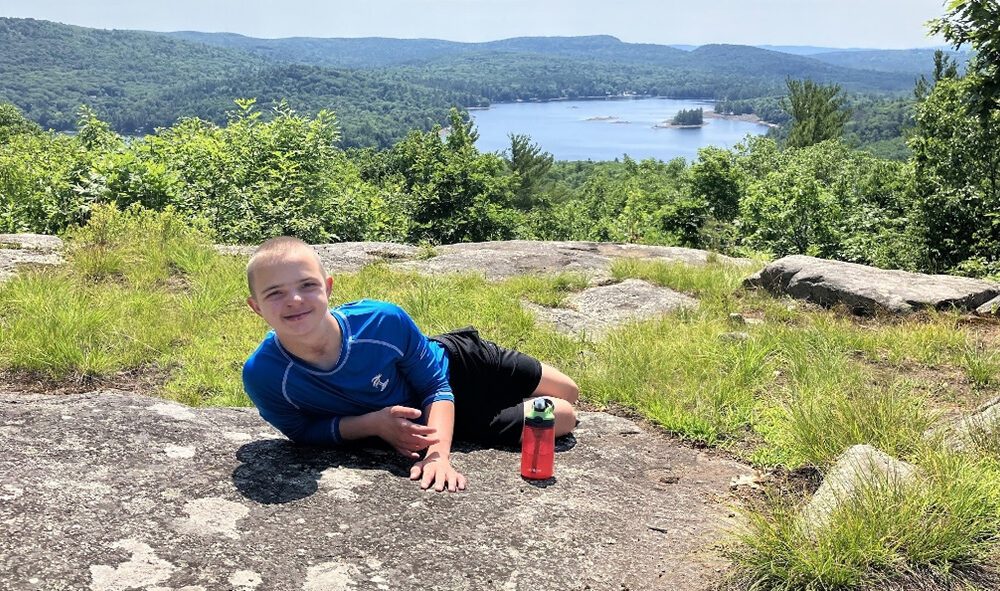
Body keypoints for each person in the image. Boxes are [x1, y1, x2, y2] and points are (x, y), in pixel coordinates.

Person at [242, 237, 579, 493]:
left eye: (307, 285)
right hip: (441, 419)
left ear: (328, 288)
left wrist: (438, 457)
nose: (295, 300)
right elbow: (300, 431)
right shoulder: (265, 375)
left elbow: (436, 385)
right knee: (564, 416)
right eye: (275, 293)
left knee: (570, 391)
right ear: (256, 307)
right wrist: (374, 424)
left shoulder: (381, 321)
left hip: (459, 364)